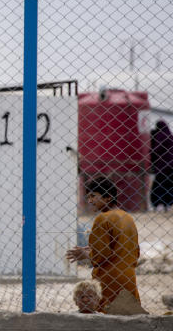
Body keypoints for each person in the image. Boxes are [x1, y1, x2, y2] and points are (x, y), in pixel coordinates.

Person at [67, 176, 142, 313]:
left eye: (94, 196)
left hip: (109, 277)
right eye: (88, 197)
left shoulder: (102, 219)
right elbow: (131, 249)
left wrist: (86, 254)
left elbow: (101, 255)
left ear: (108, 197)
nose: (90, 201)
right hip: (128, 276)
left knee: (106, 316)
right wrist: (92, 249)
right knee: (130, 314)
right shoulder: (127, 217)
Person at [150, 120, 173, 211]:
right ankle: (169, 204)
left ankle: (159, 204)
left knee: (159, 185)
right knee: (169, 186)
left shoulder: (160, 136)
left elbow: (156, 150)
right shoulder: (170, 136)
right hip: (171, 167)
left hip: (162, 168)